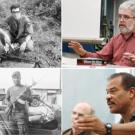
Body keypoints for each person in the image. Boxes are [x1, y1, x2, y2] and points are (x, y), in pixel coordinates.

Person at [68, 0, 135, 67]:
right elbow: (100, 58)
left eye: (126, 17)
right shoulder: (115, 39)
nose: (121, 20)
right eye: (120, 16)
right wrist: (83, 53)